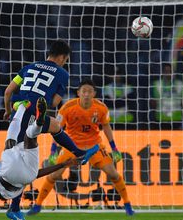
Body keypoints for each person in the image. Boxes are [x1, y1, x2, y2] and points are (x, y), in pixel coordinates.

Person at [27, 79, 135, 216]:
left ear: (94, 93)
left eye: (90, 91)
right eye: (84, 91)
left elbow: (106, 126)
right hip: (71, 146)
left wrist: (114, 148)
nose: (86, 94)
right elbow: (56, 128)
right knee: (54, 174)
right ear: (78, 93)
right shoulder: (67, 107)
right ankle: (37, 205)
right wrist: (53, 151)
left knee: (113, 173)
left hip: (94, 145)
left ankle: (127, 204)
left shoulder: (101, 108)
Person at [0, 98, 81, 220]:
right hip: (8, 178)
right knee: (12, 141)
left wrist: (63, 165)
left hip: (26, 177)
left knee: (30, 136)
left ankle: (38, 122)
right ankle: (22, 107)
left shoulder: (0, 164)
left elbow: (36, 174)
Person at [3, 39, 99, 162]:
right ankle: (79, 154)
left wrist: (8, 111)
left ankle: (79, 153)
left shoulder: (29, 67)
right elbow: (54, 103)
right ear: (62, 57)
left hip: (17, 113)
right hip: (32, 113)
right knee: (17, 156)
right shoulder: (62, 73)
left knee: (55, 125)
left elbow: (7, 92)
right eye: (66, 60)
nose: (64, 63)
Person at [150, 63, 183, 129]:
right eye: (166, 71)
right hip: (161, 118)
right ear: (163, 72)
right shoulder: (156, 84)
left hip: (176, 118)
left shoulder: (180, 84)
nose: (168, 73)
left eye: (170, 71)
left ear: (173, 72)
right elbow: (153, 102)